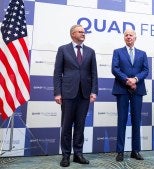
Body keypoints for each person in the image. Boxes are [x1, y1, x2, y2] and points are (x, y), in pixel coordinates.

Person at [53, 25, 98, 167]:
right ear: (73, 34)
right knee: (66, 126)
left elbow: (94, 74)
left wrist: (94, 91)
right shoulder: (63, 49)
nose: (83, 34)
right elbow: (57, 72)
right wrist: (57, 93)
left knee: (80, 126)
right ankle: (65, 155)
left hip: (84, 94)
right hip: (67, 93)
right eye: (80, 32)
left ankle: (78, 154)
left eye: (84, 32)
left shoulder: (90, 51)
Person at [111, 28, 149, 162]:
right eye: (126, 35)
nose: (128, 37)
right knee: (121, 120)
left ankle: (135, 151)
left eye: (131, 35)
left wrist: (135, 80)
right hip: (122, 89)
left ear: (135, 38)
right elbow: (114, 69)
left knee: (136, 121)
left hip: (137, 89)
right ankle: (120, 151)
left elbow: (146, 70)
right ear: (124, 38)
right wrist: (127, 80)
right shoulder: (117, 52)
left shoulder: (142, 53)